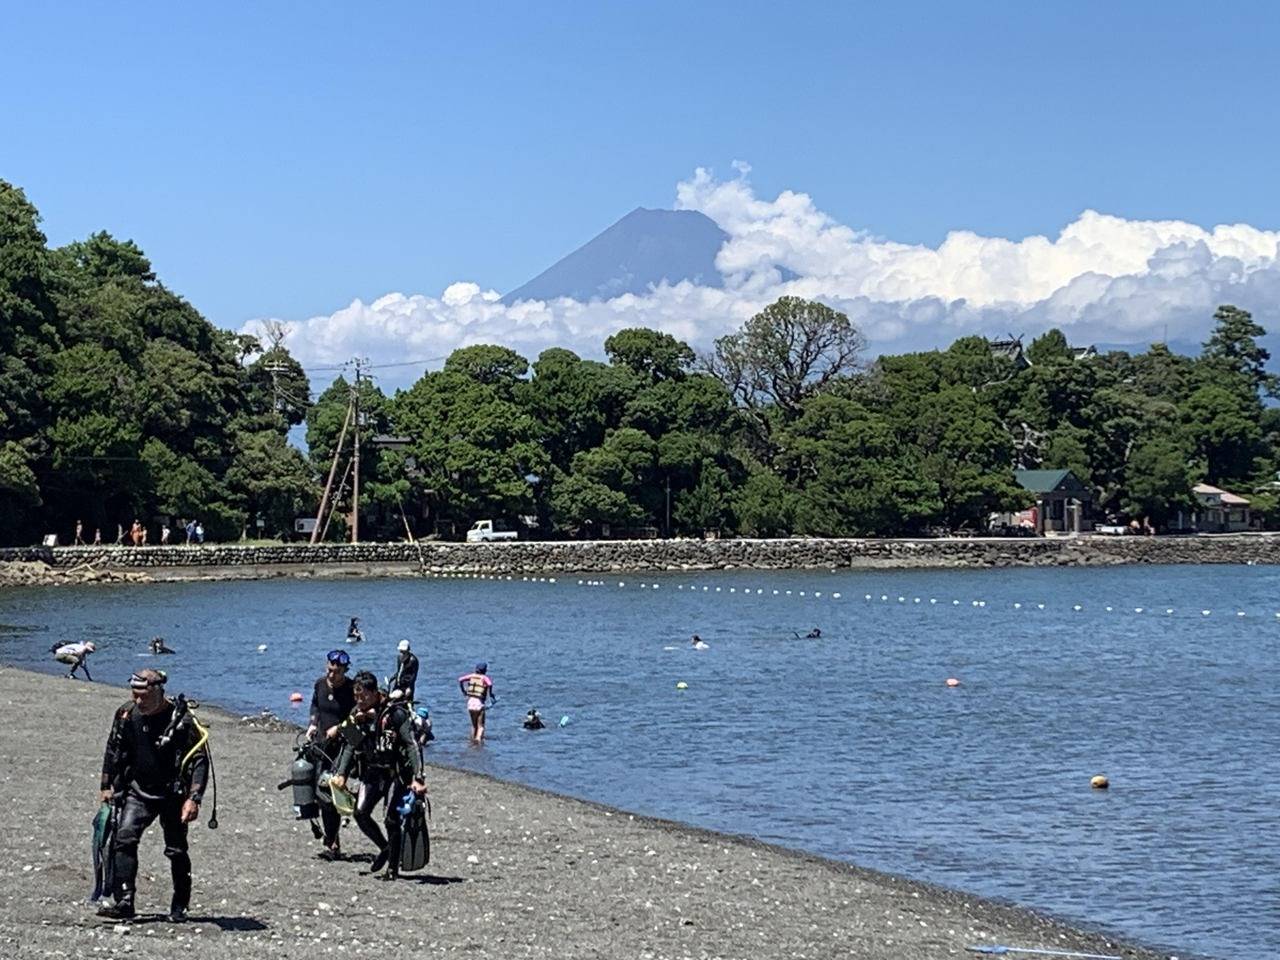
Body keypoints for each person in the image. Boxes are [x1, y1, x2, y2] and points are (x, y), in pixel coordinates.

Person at [97, 669, 209, 922]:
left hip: (173, 793)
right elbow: (113, 748)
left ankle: (180, 905)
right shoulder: (126, 714)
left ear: (158, 692)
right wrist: (106, 785)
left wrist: (194, 798)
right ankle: (125, 900)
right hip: (139, 790)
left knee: (176, 850)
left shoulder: (182, 720)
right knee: (124, 839)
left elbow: (200, 760)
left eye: (143, 696)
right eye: (134, 695)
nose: (138, 701)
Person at [329, 672, 427, 880]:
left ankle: (392, 870)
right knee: (360, 813)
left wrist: (418, 778)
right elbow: (349, 743)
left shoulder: (395, 714)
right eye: (356, 697)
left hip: (396, 773)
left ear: (375, 693)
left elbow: (412, 744)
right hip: (372, 771)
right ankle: (386, 848)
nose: (359, 701)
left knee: (391, 820)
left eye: (363, 696)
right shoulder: (356, 713)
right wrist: (341, 774)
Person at [307, 649, 355, 860]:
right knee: (315, 792)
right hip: (319, 745)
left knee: (327, 792)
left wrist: (340, 728)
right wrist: (312, 724)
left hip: (342, 748)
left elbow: (358, 717)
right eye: (329, 670)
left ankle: (333, 841)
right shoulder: (319, 684)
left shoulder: (352, 689)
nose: (331, 675)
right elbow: (315, 705)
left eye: (336, 671)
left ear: (344, 670)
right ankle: (331, 837)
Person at [458, 662, 496, 743]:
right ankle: (478, 742)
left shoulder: (471, 676)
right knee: (481, 726)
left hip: (470, 703)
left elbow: (460, 680)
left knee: (474, 725)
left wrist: (463, 691)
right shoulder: (484, 678)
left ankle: (472, 741)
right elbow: (490, 684)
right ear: (485, 670)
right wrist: (491, 694)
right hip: (479, 704)